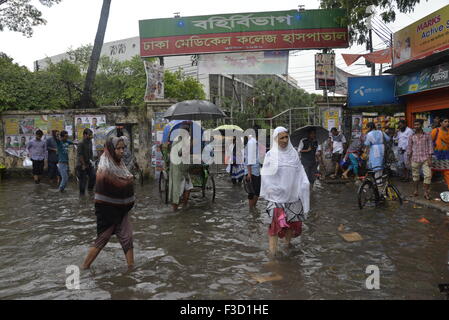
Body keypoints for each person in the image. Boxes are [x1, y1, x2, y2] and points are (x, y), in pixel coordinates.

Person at [82, 136, 135, 269]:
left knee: (127, 237)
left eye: (123, 148)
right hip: (107, 210)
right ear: (112, 149)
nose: (122, 151)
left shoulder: (120, 164)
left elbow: (125, 180)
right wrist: (126, 181)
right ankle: (84, 267)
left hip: (121, 210)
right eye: (118, 148)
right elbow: (106, 187)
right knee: (102, 239)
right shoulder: (104, 165)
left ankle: (131, 268)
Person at [260, 127, 310, 257]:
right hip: (276, 197)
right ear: (275, 139)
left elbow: (300, 172)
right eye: (281, 138)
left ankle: (286, 246)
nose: (285, 140)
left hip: (293, 196)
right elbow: (265, 175)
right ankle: (272, 254)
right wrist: (272, 187)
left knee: (291, 224)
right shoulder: (270, 155)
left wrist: (305, 184)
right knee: (274, 226)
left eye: (286, 137)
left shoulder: (293, 154)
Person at [407, 119, 433, 200]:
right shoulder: (411, 136)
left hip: (425, 158)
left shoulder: (427, 135)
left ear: (421, 125)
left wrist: (430, 159)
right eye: (415, 125)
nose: (416, 126)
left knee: (428, 175)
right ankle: (416, 190)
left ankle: (426, 192)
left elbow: (430, 147)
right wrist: (408, 159)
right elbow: (409, 148)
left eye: (417, 125)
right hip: (414, 158)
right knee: (415, 176)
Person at [168, 125, 193, 211]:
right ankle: (175, 210)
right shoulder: (180, 140)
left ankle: (184, 207)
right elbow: (180, 153)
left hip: (183, 169)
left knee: (188, 187)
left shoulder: (180, 139)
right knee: (177, 192)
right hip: (179, 170)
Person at [364, 122, 390, 189]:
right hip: (382, 149)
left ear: (369, 127)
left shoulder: (369, 134)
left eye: (367, 128)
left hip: (374, 150)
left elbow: (367, 144)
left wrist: (366, 153)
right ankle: (379, 181)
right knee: (380, 165)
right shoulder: (381, 132)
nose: (366, 129)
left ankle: (378, 183)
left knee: (376, 167)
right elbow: (388, 139)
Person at [244, 126, 262, 211]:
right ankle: (251, 209)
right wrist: (249, 173)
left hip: (255, 170)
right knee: (253, 192)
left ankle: (253, 209)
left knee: (256, 192)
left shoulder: (254, 142)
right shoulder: (252, 143)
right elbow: (249, 159)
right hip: (252, 171)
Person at [431, 117, 449, 191]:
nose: (447, 123)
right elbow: (429, 142)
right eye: (445, 121)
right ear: (441, 123)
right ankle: (426, 189)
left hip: (446, 155)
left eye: (448, 121)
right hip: (436, 155)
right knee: (431, 172)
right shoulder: (436, 130)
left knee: (447, 172)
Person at [76, 128, 96, 195]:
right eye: (89, 135)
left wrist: (92, 161)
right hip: (81, 164)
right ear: (84, 135)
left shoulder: (90, 142)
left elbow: (91, 152)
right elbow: (80, 155)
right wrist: (84, 165)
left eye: (91, 135)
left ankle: (90, 191)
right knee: (83, 181)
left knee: (93, 176)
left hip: (88, 163)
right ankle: (82, 196)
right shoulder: (80, 143)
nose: (91, 136)